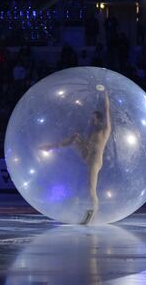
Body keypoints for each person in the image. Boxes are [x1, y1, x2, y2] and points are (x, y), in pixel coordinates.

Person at [41, 90, 111, 224]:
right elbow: (89, 145)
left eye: (94, 118)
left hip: (95, 162)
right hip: (88, 156)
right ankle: (51, 146)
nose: (92, 120)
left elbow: (107, 110)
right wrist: (85, 145)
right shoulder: (93, 132)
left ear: (99, 119)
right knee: (75, 137)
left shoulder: (105, 130)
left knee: (91, 187)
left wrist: (105, 94)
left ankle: (94, 210)